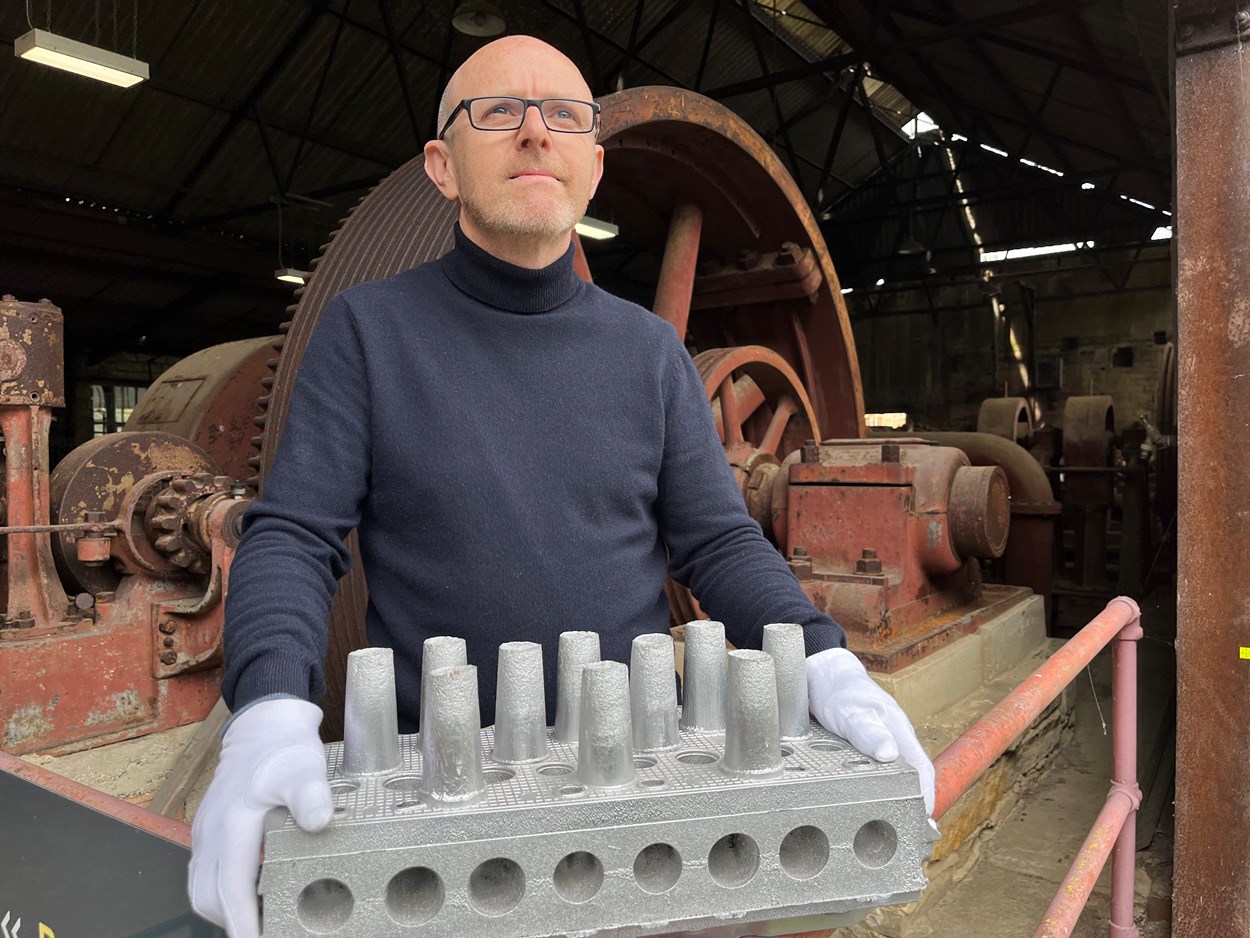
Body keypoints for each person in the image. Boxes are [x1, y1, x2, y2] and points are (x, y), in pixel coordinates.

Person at [187, 35, 935, 938]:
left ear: (593, 166)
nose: (535, 133)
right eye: (498, 112)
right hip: (446, 800)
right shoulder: (368, 332)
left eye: (565, 116)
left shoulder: (648, 354)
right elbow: (295, 534)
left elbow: (719, 540)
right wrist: (269, 706)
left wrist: (822, 658)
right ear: (442, 165)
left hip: (633, 792)